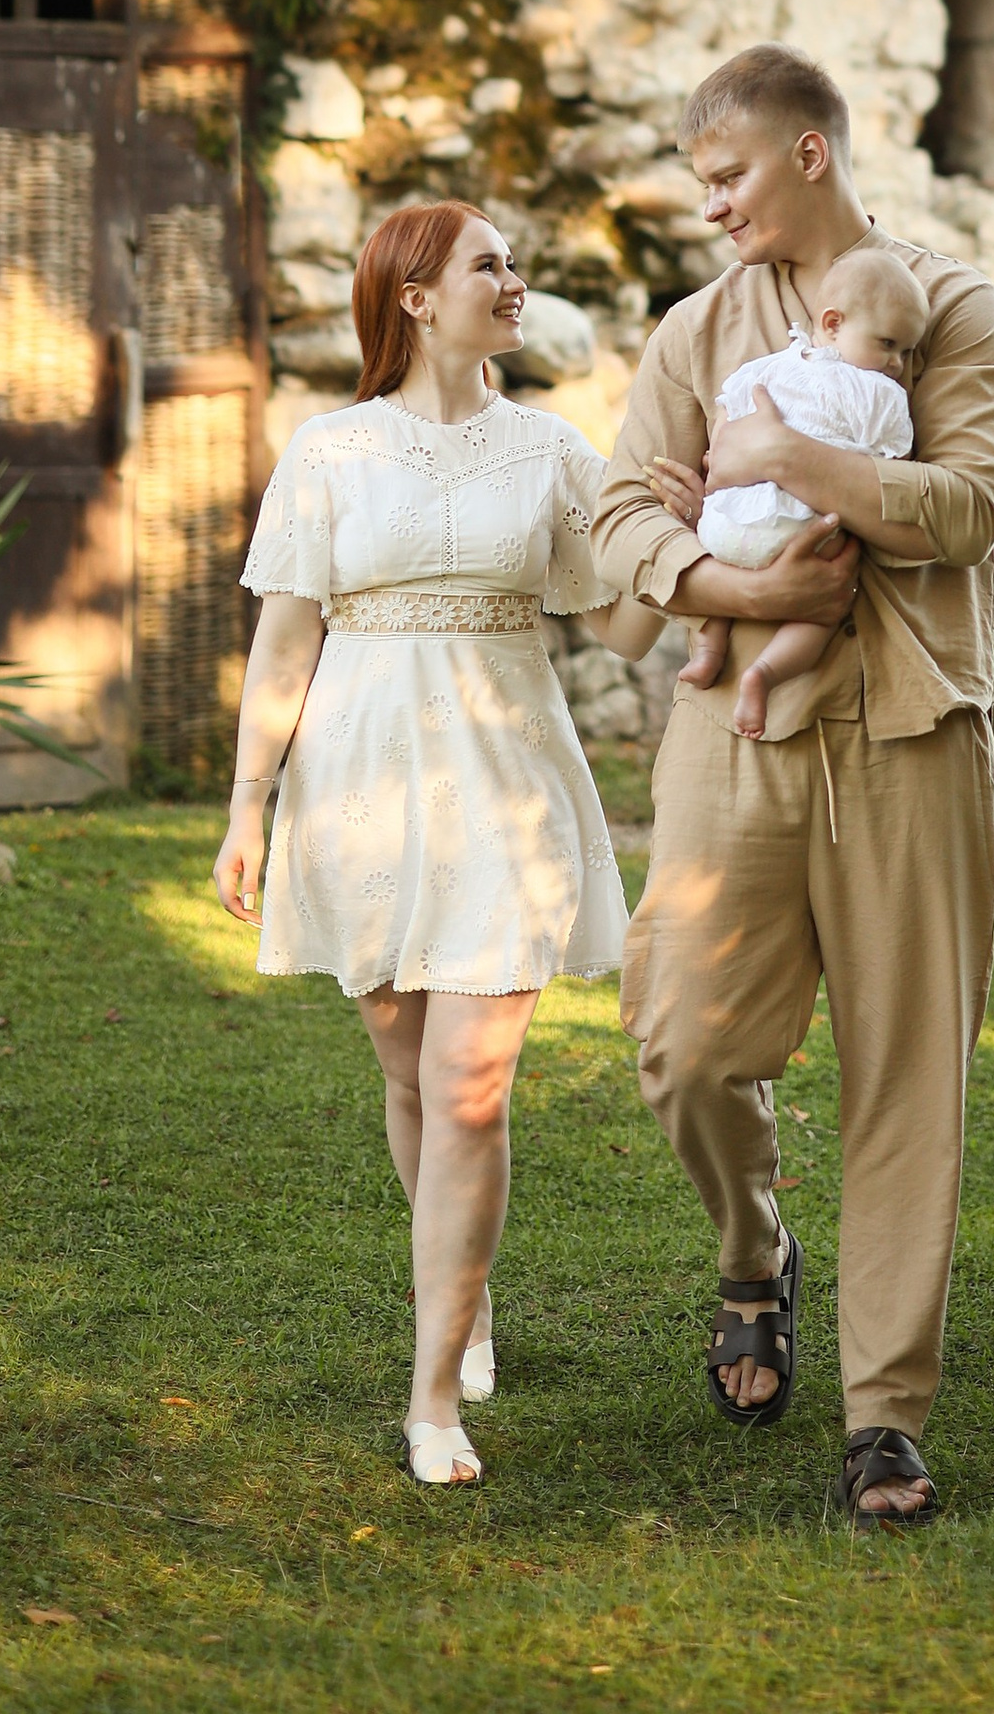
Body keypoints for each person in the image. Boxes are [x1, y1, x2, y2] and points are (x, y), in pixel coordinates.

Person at [593, 46, 994, 1532]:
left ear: (810, 155)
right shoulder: (693, 330)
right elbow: (624, 520)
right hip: (738, 728)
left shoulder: (954, 306)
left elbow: (966, 508)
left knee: (909, 1075)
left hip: (912, 733)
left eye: (729, 177)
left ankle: (883, 1416)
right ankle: (752, 1249)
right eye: (702, 183)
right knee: (683, 1041)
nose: (711, 206)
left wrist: (786, 458)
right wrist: (741, 582)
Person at [214, 199, 666, 1491]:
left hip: (506, 783)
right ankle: (461, 1296)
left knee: (470, 1084)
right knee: (411, 1074)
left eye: (516, 263)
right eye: (490, 264)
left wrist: (677, 539)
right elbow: (286, 639)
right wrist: (249, 804)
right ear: (415, 297)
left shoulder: (553, 451)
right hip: (360, 782)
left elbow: (621, 624)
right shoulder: (330, 449)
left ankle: (430, 1402)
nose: (514, 281)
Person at [673, 243, 930, 738]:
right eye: (888, 344)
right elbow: (893, 467)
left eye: (906, 351)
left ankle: (708, 650)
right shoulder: (880, 394)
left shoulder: (770, 367)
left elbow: (726, 418)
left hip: (729, 523)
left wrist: (721, 465)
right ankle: (763, 674)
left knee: (721, 575)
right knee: (824, 607)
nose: (897, 363)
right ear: (832, 323)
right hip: (803, 530)